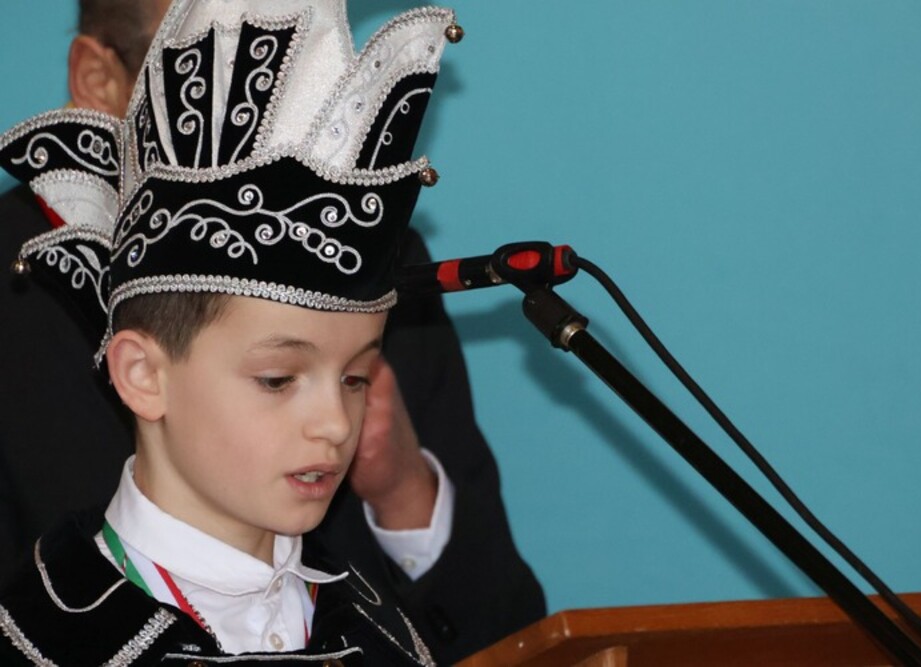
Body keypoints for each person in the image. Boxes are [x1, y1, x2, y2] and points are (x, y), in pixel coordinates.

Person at [0, 0, 545, 662]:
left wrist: (403, 488)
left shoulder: (377, 265)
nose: (335, 423)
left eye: (355, 377)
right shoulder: (42, 628)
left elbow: (507, 627)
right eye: (277, 379)